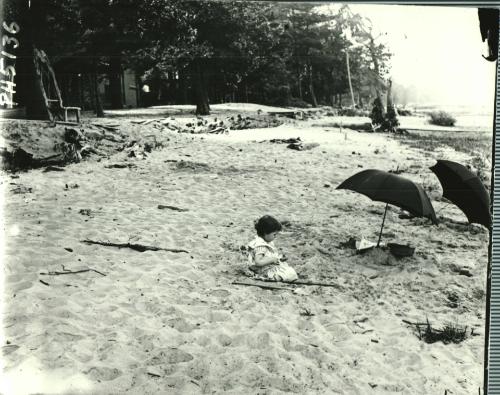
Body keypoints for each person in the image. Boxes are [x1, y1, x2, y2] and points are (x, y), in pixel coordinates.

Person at [246, 215, 298, 282]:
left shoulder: (265, 241)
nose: (275, 237)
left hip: (266, 267)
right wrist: (273, 259)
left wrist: (279, 258)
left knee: (288, 270)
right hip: (262, 270)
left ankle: (275, 276)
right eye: (274, 234)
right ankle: (269, 278)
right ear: (265, 233)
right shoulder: (261, 246)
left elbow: (267, 255)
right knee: (289, 273)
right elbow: (258, 262)